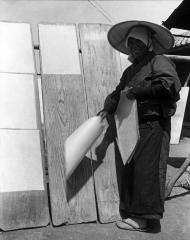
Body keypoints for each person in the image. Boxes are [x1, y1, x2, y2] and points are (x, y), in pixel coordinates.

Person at [98, 21, 181, 232]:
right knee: (133, 169)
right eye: (131, 42)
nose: (134, 46)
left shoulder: (158, 61)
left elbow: (170, 85)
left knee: (148, 170)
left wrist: (139, 90)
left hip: (153, 123)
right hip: (132, 126)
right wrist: (109, 105)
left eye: (138, 42)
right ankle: (135, 214)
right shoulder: (130, 70)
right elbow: (119, 92)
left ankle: (145, 221)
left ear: (148, 43)